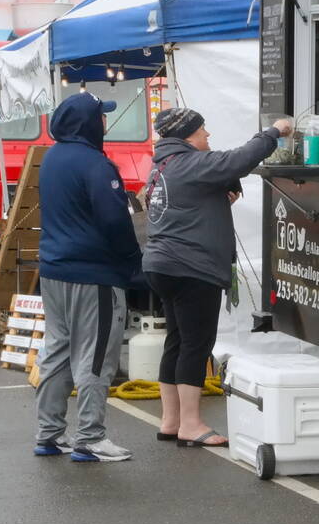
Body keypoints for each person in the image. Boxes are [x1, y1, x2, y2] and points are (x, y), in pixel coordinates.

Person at [143, 107, 294, 445]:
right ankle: (192, 425)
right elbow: (238, 160)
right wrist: (275, 131)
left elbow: (200, 193)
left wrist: (222, 193)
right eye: (202, 130)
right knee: (196, 345)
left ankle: (171, 421)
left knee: (178, 341)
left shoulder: (162, 167)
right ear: (186, 136)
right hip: (191, 268)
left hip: (161, 265)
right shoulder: (191, 164)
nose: (207, 135)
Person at [29, 91, 144, 462]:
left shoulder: (53, 158)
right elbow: (114, 219)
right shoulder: (96, 164)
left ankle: (49, 433)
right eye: (101, 116)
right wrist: (133, 260)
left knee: (57, 351)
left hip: (54, 269)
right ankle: (90, 437)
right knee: (95, 356)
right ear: (90, 122)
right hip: (94, 273)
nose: (105, 122)